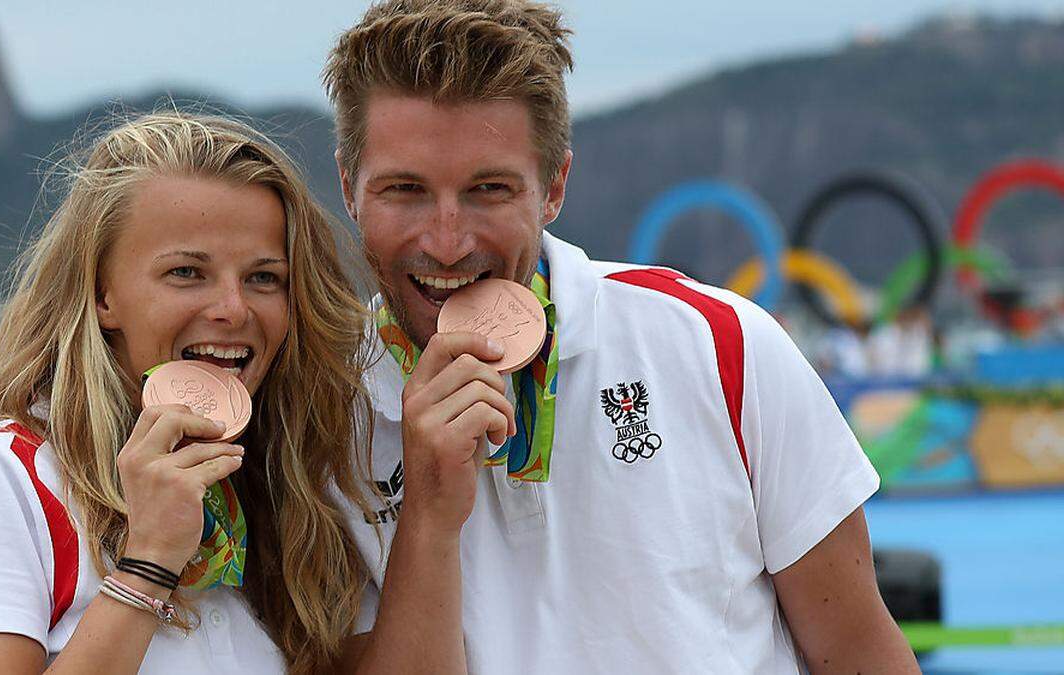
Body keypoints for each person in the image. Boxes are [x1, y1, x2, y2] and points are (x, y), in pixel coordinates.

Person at [323, 1, 920, 672]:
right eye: (405, 190)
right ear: (349, 188)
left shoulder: (721, 345)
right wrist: (428, 519)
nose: (447, 240)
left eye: (489, 189)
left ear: (553, 187)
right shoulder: (312, 424)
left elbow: (861, 650)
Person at [0, 112, 378, 674]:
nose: (233, 309)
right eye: (187, 272)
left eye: (265, 278)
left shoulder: (293, 495)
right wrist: (148, 563)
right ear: (101, 294)